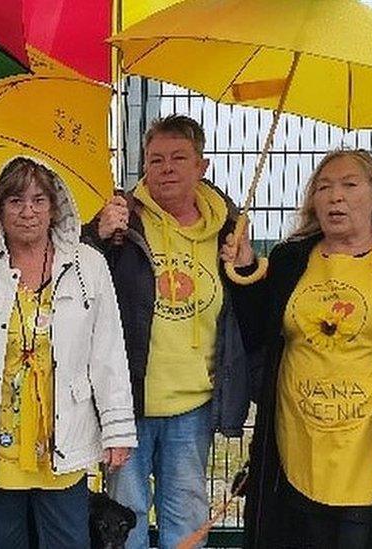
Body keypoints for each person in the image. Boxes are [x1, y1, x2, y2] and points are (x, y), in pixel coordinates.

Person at [0, 156, 136, 549]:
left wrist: (116, 427)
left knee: (68, 542)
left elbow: (108, 354)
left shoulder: (89, 266)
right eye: (16, 201)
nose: (28, 212)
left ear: (55, 207)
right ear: (0, 209)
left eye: (39, 200)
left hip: (62, 437)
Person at [83, 114, 251, 549]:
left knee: (187, 512)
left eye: (179, 158)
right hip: (129, 402)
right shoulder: (122, 221)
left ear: (203, 167)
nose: (167, 168)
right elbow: (77, 280)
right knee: (125, 518)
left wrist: (247, 264)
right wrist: (97, 236)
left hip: (193, 403)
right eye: (155, 159)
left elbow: (249, 310)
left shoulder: (227, 230)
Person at [223, 150, 372, 549]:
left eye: (349, 185)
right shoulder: (291, 258)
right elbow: (259, 333)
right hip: (298, 443)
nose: (334, 197)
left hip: (365, 451)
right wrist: (243, 268)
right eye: (324, 187)